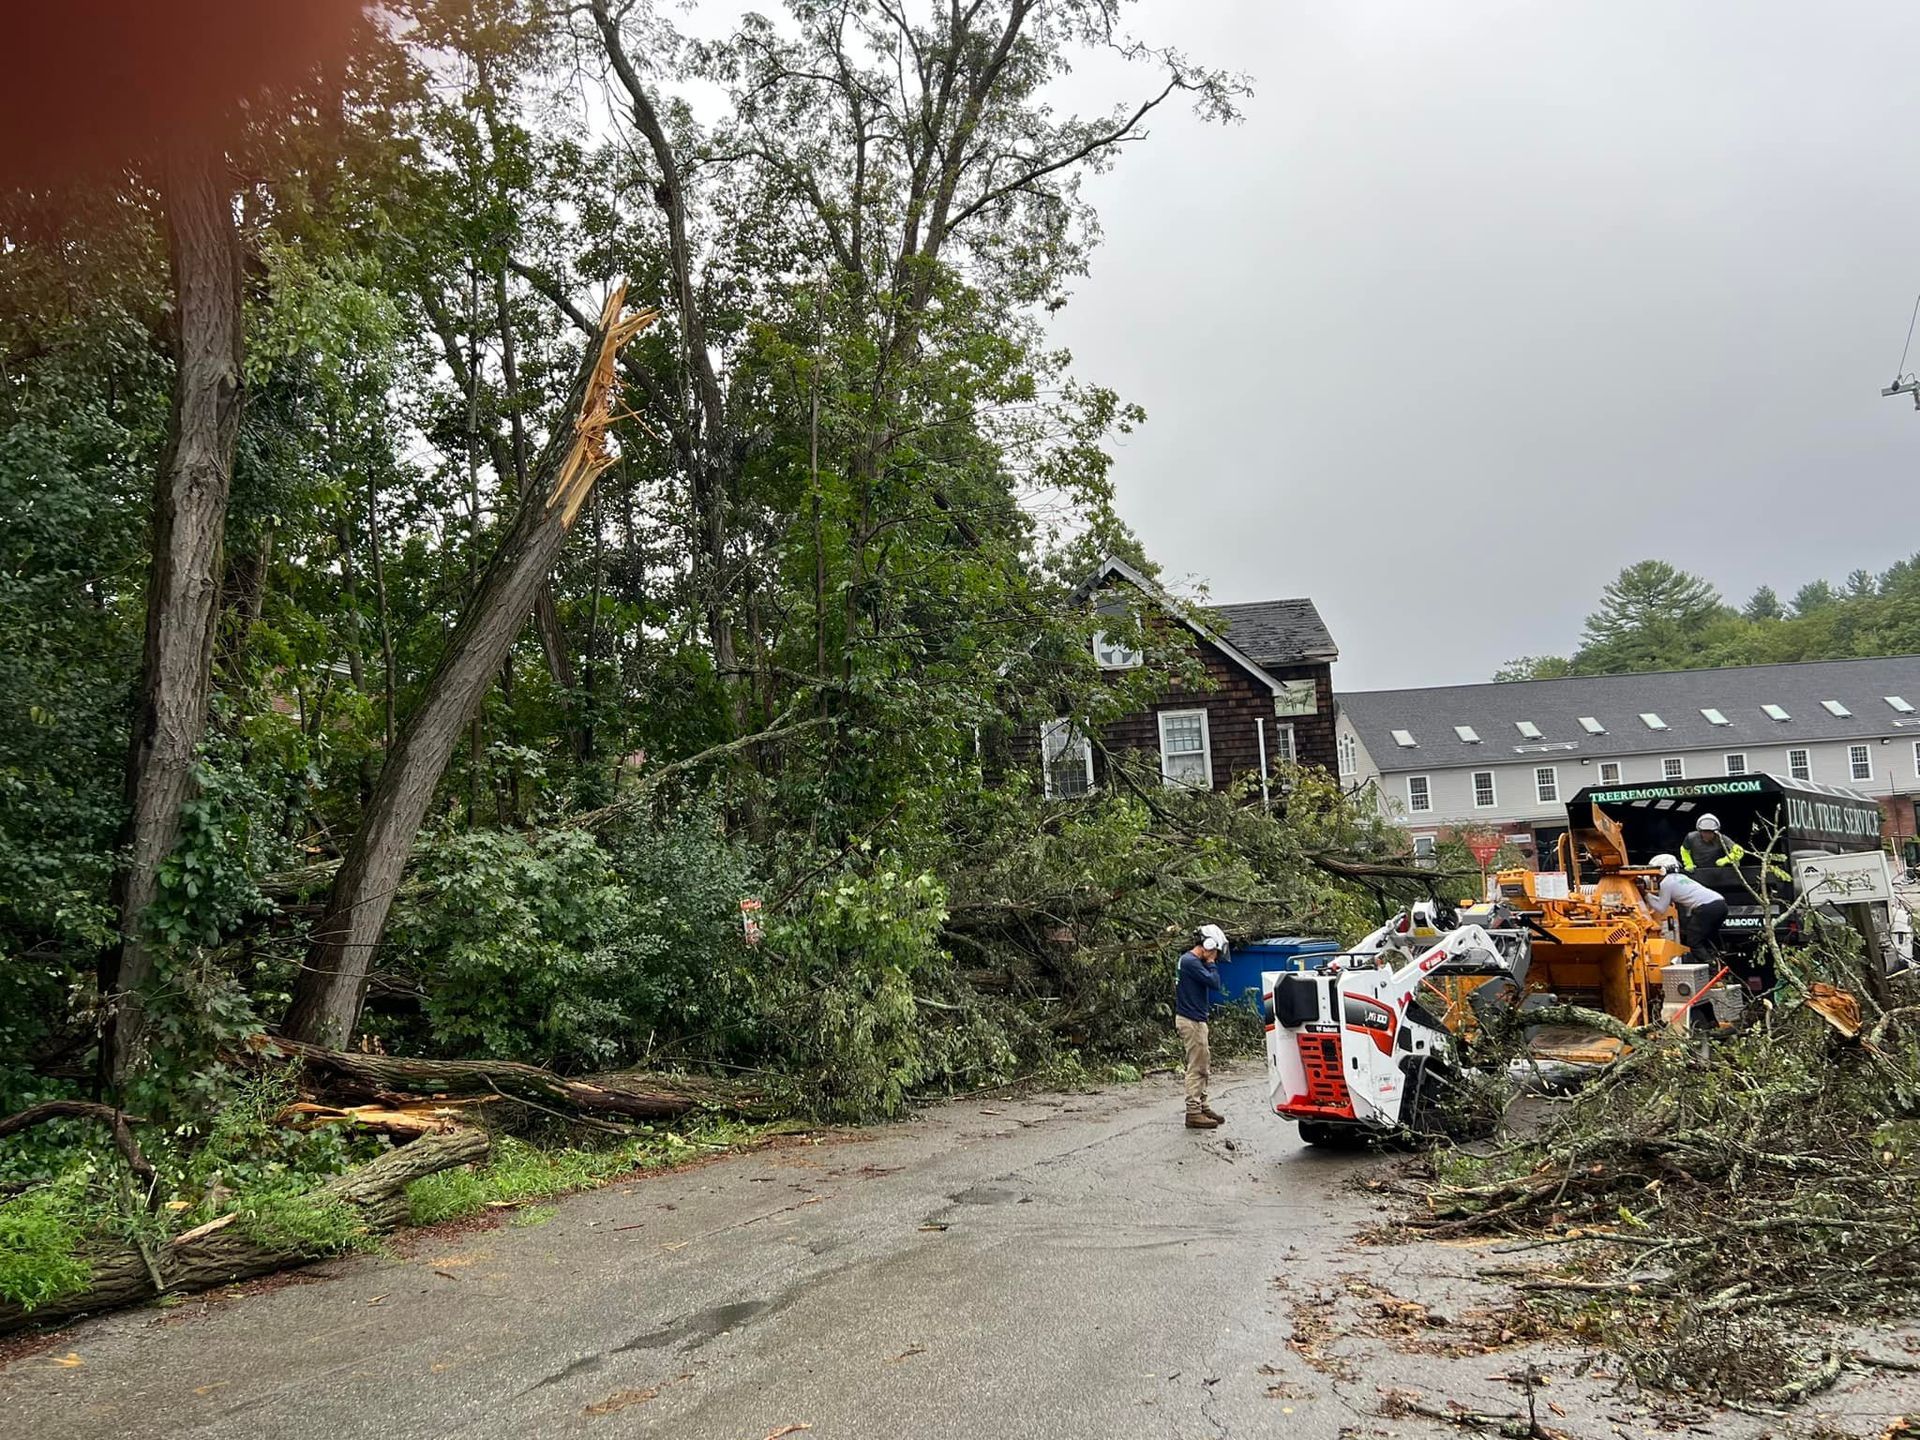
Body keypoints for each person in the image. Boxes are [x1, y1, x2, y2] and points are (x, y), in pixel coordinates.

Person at [1175, 924, 1228, 1130]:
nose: (1215, 956)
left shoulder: (1189, 961)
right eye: (1215, 951)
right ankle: (1193, 1112)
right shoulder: (1190, 962)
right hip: (1191, 1020)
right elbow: (1214, 982)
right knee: (1196, 1067)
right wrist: (1211, 963)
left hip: (1195, 1019)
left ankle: (1202, 1105)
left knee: (1203, 1064)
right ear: (1208, 945)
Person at [1646, 853, 1730, 965]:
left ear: (1662, 870)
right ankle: (1720, 959)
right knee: (1707, 937)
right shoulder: (1681, 877)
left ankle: (1711, 966)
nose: (1654, 878)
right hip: (1720, 904)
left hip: (1706, 907)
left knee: (1694, 942)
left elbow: (1661, 908)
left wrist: (1645, 895)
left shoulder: (1666, 883)